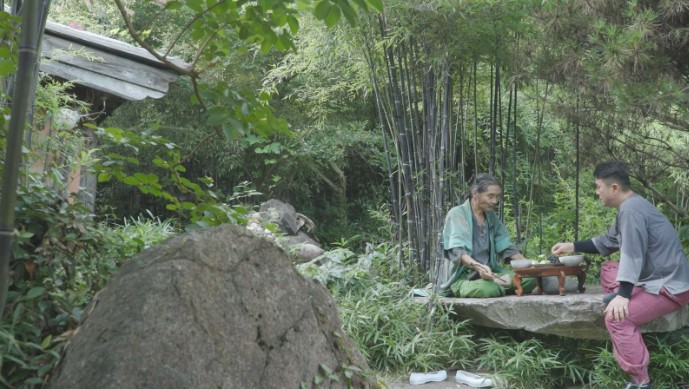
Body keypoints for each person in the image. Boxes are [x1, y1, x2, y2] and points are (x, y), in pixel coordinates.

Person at [551, 161, 689, 389]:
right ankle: (625, 293)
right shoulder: (631, 206)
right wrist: (571, 245)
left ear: (613, 188)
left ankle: (640, 381)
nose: (597, 192)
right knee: (608, 269)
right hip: (654, 277)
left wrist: (623, 295)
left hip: (669, 285)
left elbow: (632, 254)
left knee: (617, 318)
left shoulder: (631, 211)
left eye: (598, 187)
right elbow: (608, 242)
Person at [440, 173, 536, 298]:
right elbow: (458, 251)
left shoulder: (491, 217)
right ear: (475, 193)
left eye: (497, 197)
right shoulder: (457, 214)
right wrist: (479, 268)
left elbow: (506, 247)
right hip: (465, 278)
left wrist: (531, 265)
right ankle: (502, 285)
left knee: (532, 278)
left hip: (491, 274)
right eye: (490, 196)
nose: (495, 201)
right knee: (485, 288)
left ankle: (500, 285)